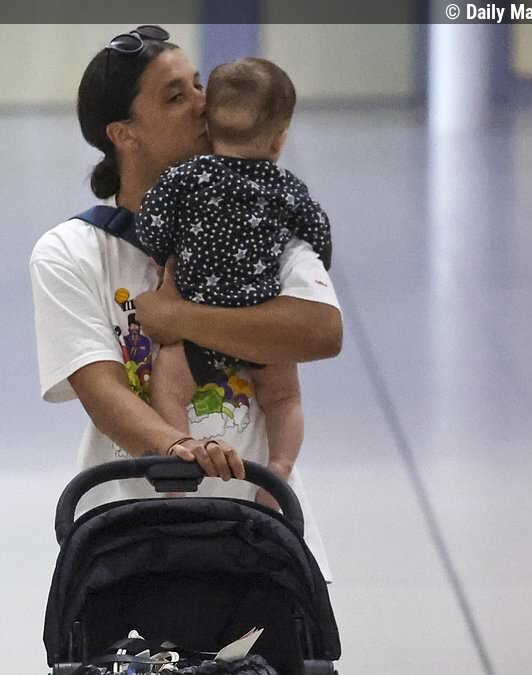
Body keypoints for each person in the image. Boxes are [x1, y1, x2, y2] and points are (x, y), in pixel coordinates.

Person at [29, 25, 342, 513]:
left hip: (264, 527)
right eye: (176, 97)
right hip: (137, 528)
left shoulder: (263, 215)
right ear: (123, 133)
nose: (203, 104)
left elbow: (322, 331)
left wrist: (180, 319)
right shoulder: (69, 252)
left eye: (199, 85)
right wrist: (178, 450)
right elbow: (102, 391)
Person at [133, 56, 333, 509]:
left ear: (207, 126)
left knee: (168, 387)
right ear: (279, 138)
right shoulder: (287, 188)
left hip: (194, 329)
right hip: (260, 327)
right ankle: (278, 469)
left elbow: (152, 226)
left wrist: (163, 255)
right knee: (284, 398)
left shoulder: (183, 179)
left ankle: (181, 467)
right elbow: (318, 233)